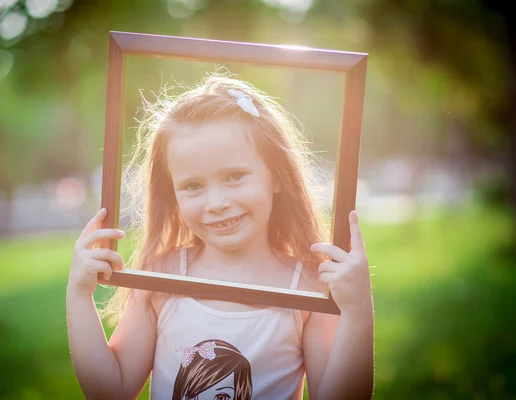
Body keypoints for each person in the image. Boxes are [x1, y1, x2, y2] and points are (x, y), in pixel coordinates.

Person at [67, 72, 374, 400]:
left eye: (235, 176)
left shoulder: (308, 286)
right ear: (172, 194)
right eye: (193, 186)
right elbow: (110, 391)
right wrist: (79, 295)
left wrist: (357, 311)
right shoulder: (161, 276)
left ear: (277, 176)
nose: (217, 204)